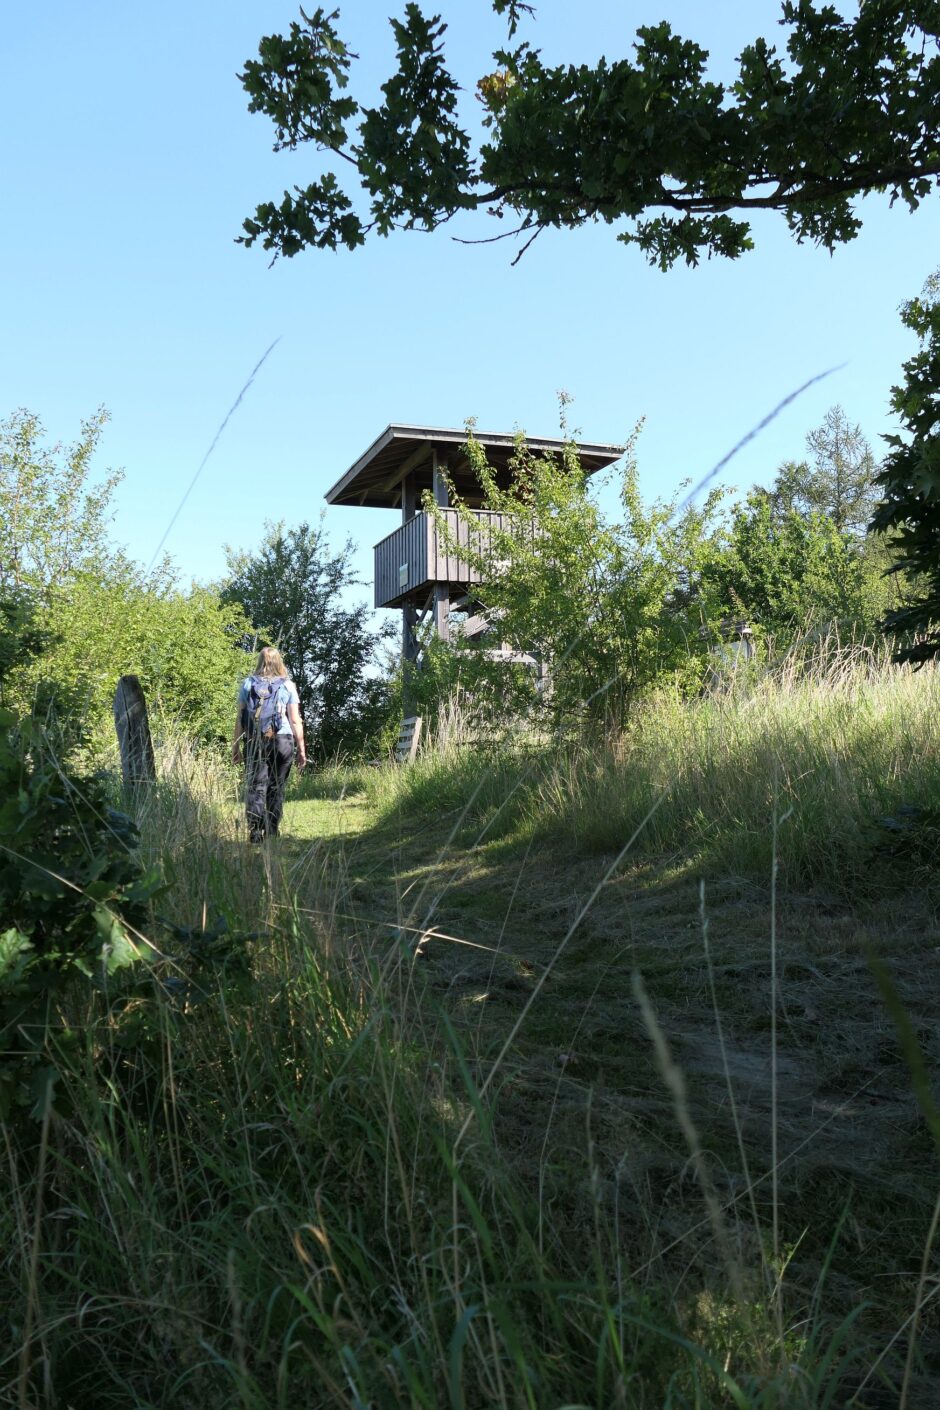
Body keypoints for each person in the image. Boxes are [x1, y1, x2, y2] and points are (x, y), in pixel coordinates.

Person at [232, 647, 306, 841]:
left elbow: (240, 718)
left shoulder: (248, 684)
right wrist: (302, 750)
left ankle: (256, 832)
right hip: (282, 740)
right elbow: (295, 720)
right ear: (279, 662)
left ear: (260, 662)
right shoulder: (288, 685)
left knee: (256, 786)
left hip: (255, 740)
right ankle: (272, 831)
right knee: (276, 786)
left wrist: (236, 746)